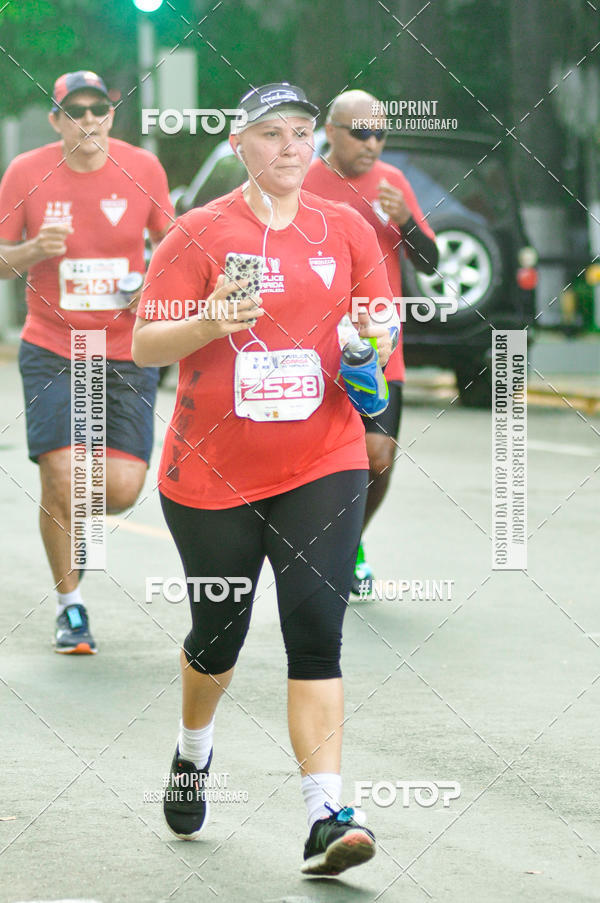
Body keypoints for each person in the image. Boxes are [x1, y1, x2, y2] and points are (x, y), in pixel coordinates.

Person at [132, 82, 398, 876]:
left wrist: (371, 341)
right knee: (219, 634)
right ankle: (193, 750)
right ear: (240, 144)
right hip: (212, 469)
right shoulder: (199, 231)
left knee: (316, 625)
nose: (290, 146)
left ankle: (325, 815)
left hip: (323, 456)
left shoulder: (344, 227)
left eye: (301, 132)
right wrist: (209, 320)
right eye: (272, 133)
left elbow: (380, 327)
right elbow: (144, 344)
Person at [0, 70, 173, 653]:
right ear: (57, 120)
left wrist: (152, 287)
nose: (89, 120)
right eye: (76, 111)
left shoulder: (143, 168)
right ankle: (70, 605)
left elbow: (174, 246)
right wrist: (31, 250)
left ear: (112, 115)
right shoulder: (26, 171)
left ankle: (70, 509)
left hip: (125, 349)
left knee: (119, 490)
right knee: (62, 475)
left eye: (99, 109)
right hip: (53, 345)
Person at [304, 89, 439, 593]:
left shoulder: (392, 183)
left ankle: (349, 543)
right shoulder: (303, 181)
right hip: (314, 345)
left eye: (381, 134)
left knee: (378, 456)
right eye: (361, 133)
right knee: (316, 459)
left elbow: (431, 263)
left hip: (379, 344)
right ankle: (315, 545)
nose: (373, 144)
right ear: (331, 132)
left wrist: (405, 221)